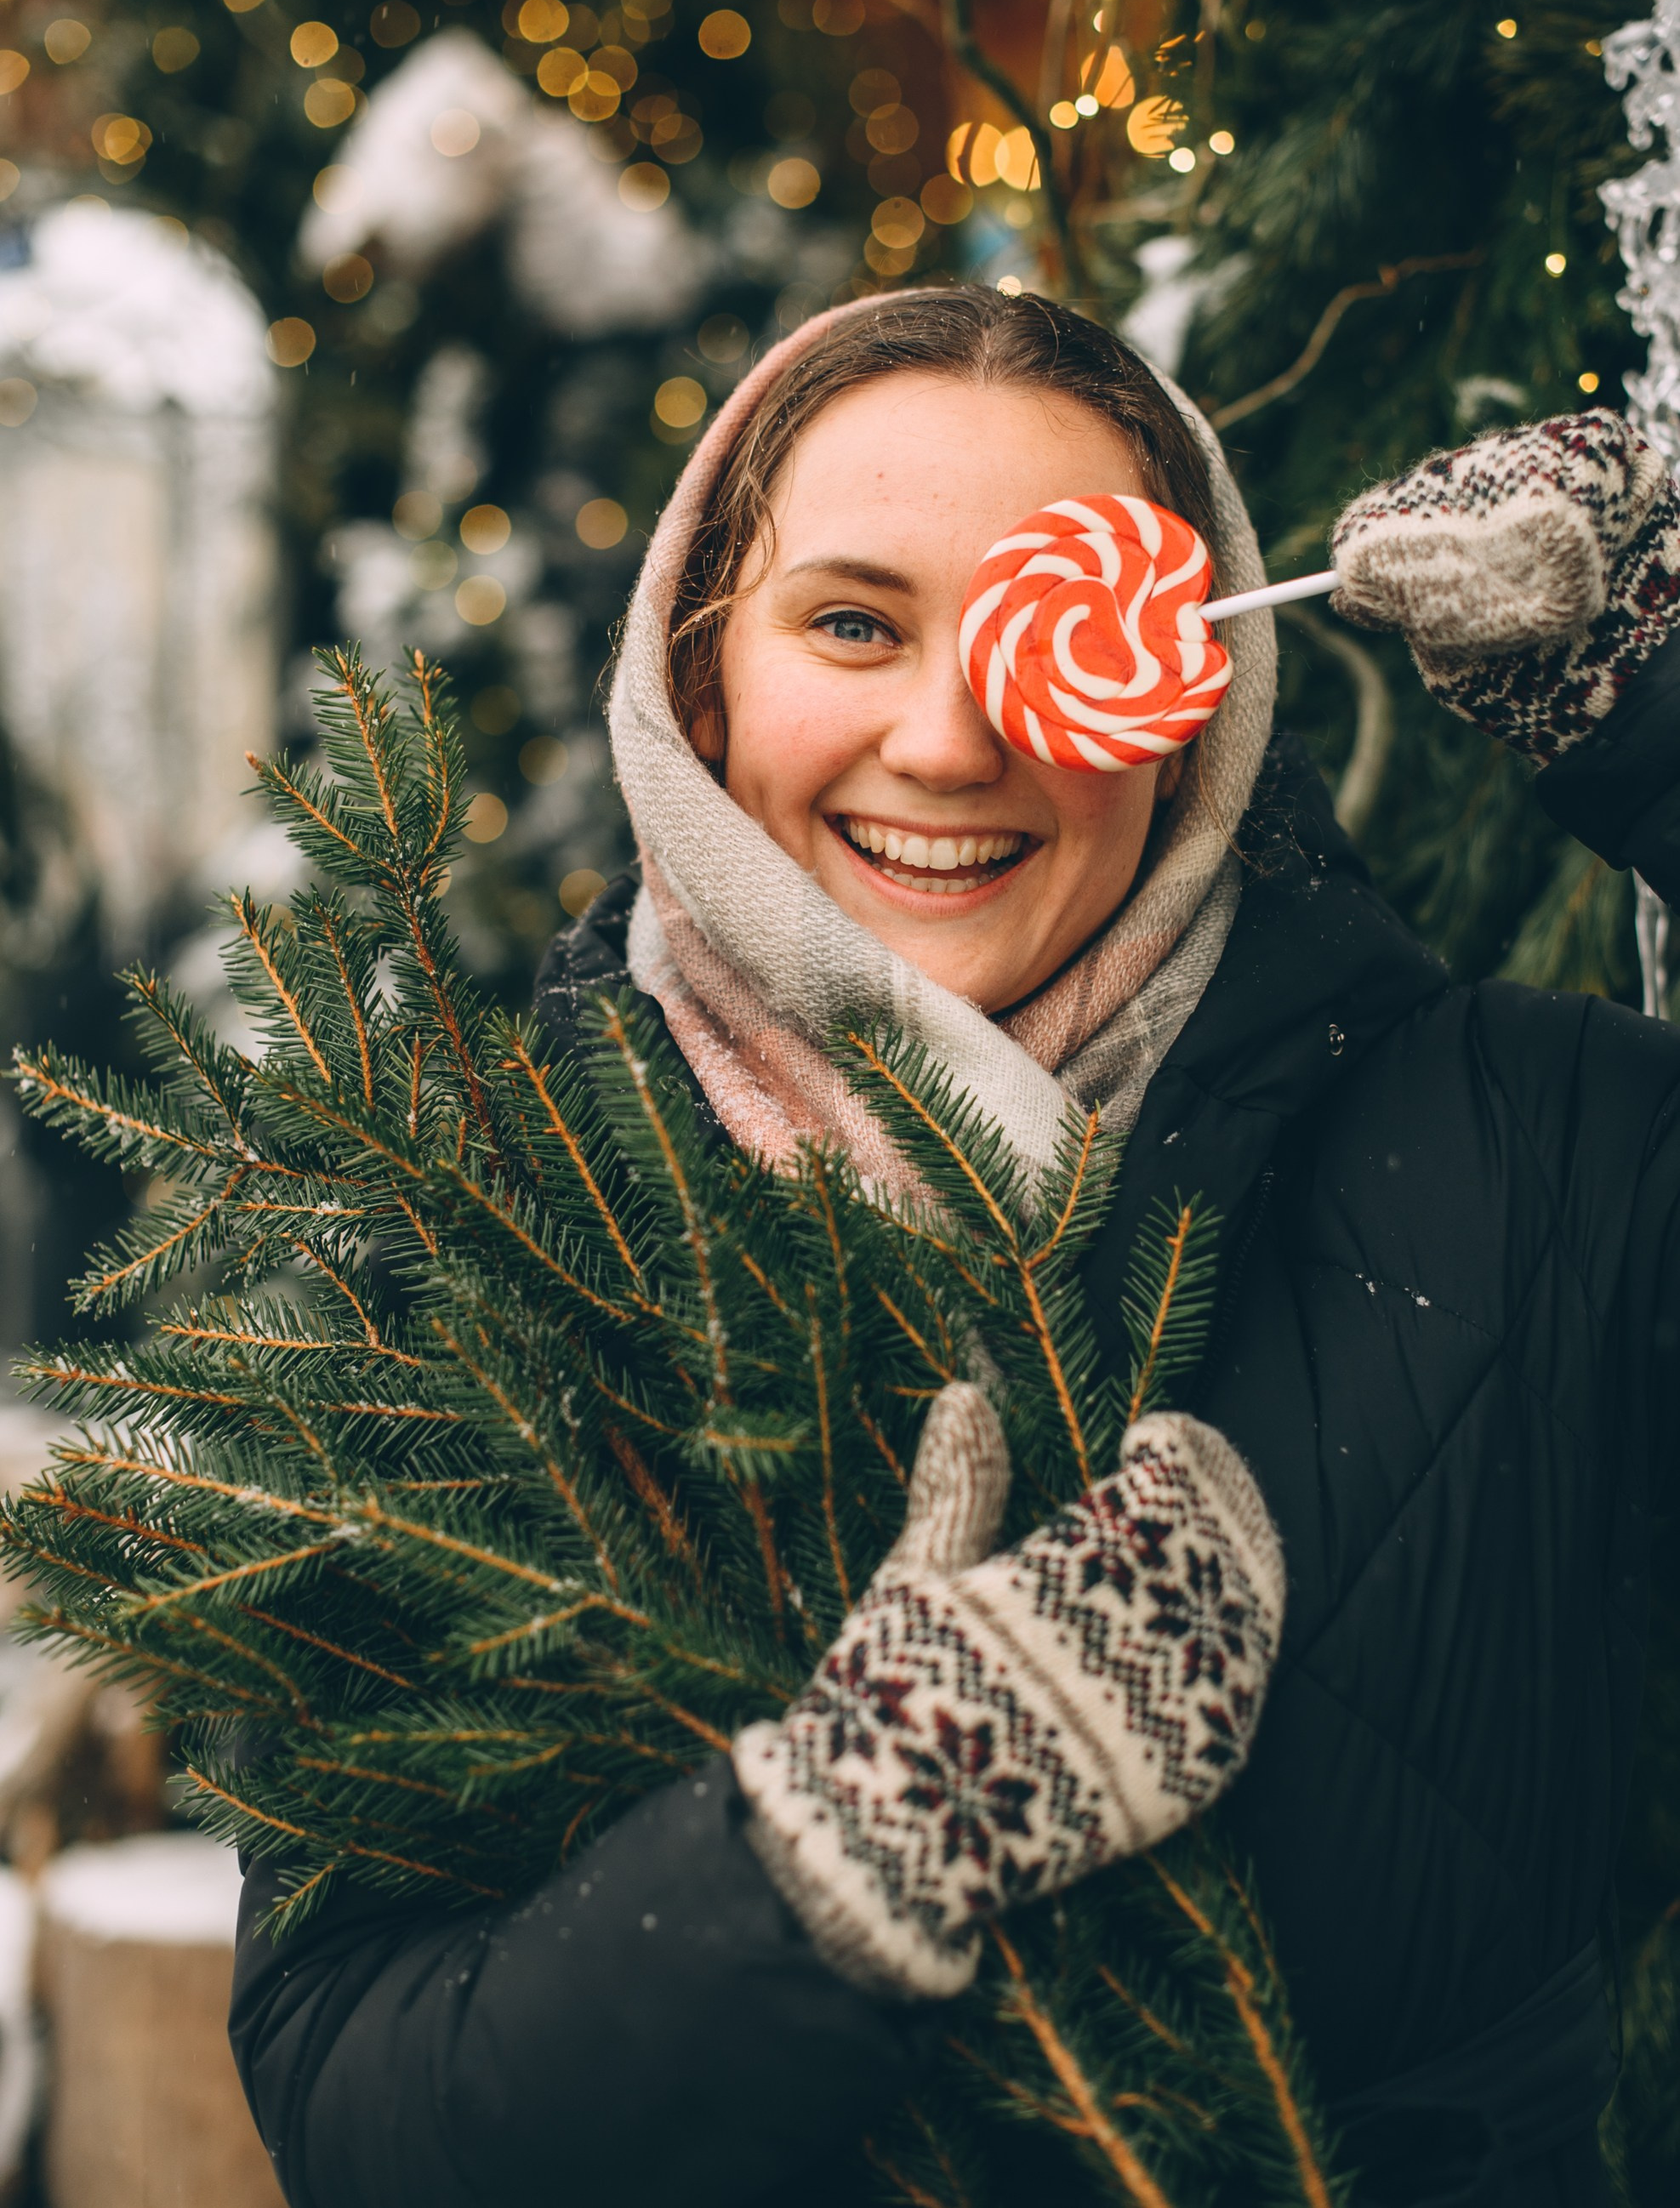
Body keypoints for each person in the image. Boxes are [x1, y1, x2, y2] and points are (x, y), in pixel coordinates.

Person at [229, 287, 1680, 2208]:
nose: (950, 735)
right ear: (699, 667)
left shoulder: (1536, 1147)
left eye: (1053, 629)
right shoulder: (471, 1243)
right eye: (852, 622)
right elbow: (362, 2106)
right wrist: (841, 1845)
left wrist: (1656, 699)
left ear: (1196, 698)